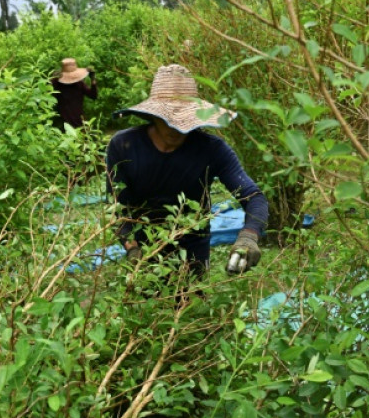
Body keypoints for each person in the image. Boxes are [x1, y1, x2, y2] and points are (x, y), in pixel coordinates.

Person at [105, 64, 268, 279]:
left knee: (190, 305)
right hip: (144, 246)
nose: (175, 128)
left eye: (183, 119)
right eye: (168, 119)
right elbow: (117, 206)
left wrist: (249, 236)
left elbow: (253, 197)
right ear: (154, 115)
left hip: (192, 249)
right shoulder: (124, 146)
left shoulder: (212, 149)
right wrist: (132, 248)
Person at [51, 58, 97, 129]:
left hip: (78, 122)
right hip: (64, 124)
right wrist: (54, 78)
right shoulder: (58, 83)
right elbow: (47, 92)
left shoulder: (79, 83)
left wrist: (93, 80)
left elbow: (93, 96)